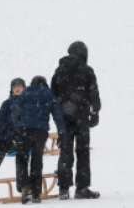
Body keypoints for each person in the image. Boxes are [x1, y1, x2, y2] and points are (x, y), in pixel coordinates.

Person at [51, 42, 101, 200]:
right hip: (81, 116)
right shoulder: (87, 70)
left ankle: (64, 188)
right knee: (83, 151)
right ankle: (82, 188)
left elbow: (53, 94)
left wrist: (59, 112)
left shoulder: (59, 70)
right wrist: (95, 112)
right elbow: (93, 92)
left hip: (64, 117)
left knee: (65, 150)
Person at [11, 76, 65, 205]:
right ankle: (36, 193)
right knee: (37, 160)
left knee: (22, 158)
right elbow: (57, 115)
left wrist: (18, 126)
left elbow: (15, 109)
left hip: (25, 130)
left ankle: (24, 186)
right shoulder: (48, 94)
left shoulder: (26, 92)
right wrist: (61, 132)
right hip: (40, 132)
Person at [0, 78, 26, 182]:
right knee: (1, 155)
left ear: (24, 88)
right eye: (15, 86)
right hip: (9, 138)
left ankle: (24, 181)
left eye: (20, 86)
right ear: (12, 89)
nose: (17, 88)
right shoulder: (7, 104)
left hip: (23, 139)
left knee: (25, 158)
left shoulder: (28, 104)